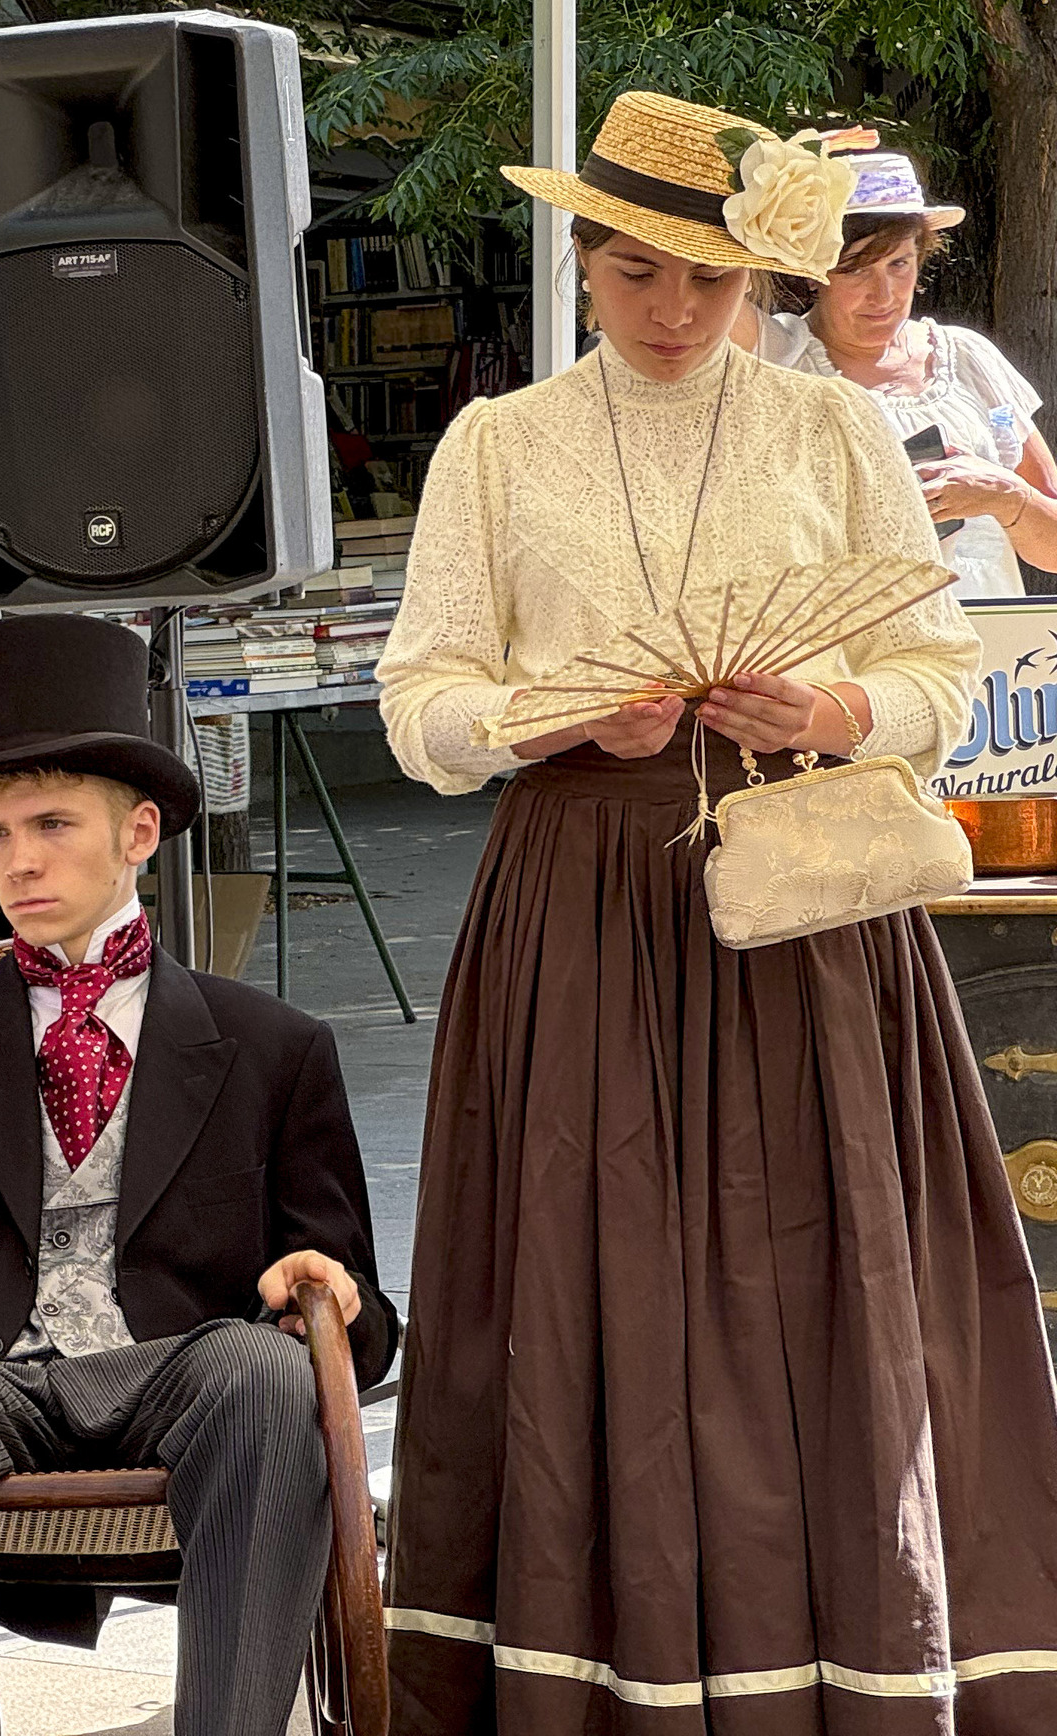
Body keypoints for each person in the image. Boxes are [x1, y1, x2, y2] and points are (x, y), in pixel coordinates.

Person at [375, 89, 1057, 1732]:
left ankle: (856, 1664)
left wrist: (823, 709)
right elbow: (419, 702)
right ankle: (597, 1674)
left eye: (707, 281)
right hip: (580, 910)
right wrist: (547, 720)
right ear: (582, 263)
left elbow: (939, 676)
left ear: (757, 280)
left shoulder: (831, 434)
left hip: (809, 916)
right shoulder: (501, 442)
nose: (672, 311)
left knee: (814, 1289)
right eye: (631, 273)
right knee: (593, 1283)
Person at [0, 613, 397, 1736]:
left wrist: (334, 1287)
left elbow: (360, 1323)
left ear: (140, 831)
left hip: (184, 1374)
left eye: (53, 823)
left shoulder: (274, 1047)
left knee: (270, 1373)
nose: (19, 859)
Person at [752, 149, 1057, 596]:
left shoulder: (967, 356)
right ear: (813, 270)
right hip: (843, 650)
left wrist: (1003, 496)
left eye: (899, 264)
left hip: (988, 646)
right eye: (854, 269)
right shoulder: (775, 354)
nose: (884, 294)